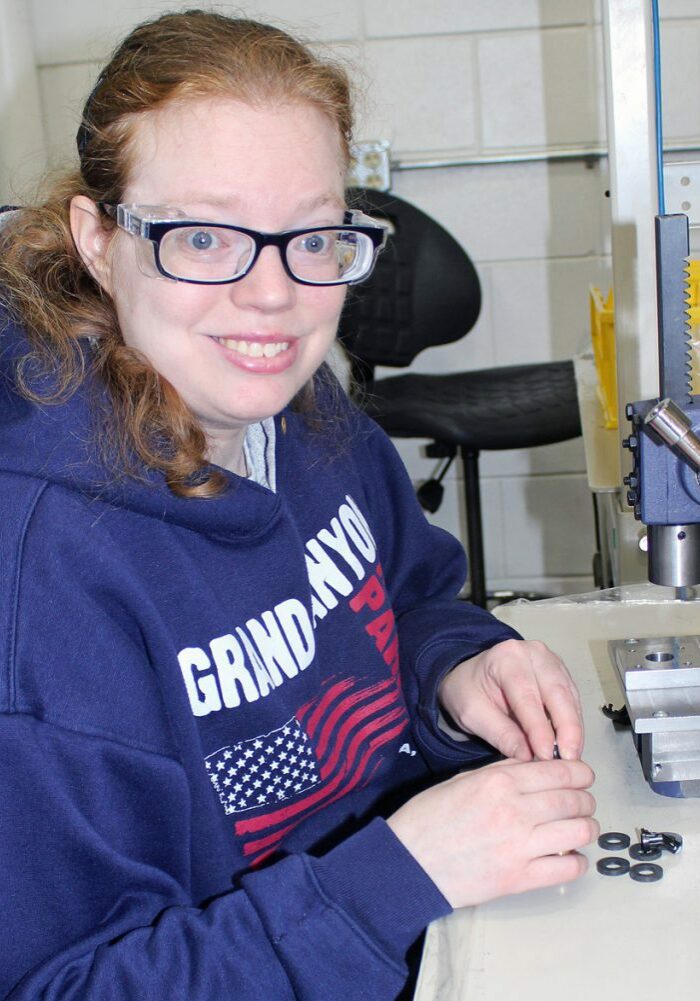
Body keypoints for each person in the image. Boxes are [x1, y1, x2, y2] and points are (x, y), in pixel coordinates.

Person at [0, 10, 598, 1000]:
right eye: (202, 235)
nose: (274, 295)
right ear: (99, 242)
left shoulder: (301, 402)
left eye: (313, 237)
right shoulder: (44, 575)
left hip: (433, 928)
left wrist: (461, 661)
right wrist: (396, 876)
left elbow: (409, 594)